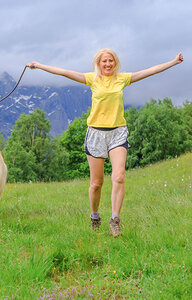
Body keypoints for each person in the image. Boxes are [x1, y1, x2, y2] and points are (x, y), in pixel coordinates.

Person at [26, 49, 183, 237]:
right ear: (98, 64)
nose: (108, 64)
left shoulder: (122, 79)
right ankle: (95, 216)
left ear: (115, 63)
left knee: (119, 177)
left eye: (111, 61)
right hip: (95, 134)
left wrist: (173, 61)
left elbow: (151, 70)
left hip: (117, 133)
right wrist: (40, 66)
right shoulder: (92, 79)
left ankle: (115, 220)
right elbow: (64, 72)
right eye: (104, 61)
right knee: (96, 183)